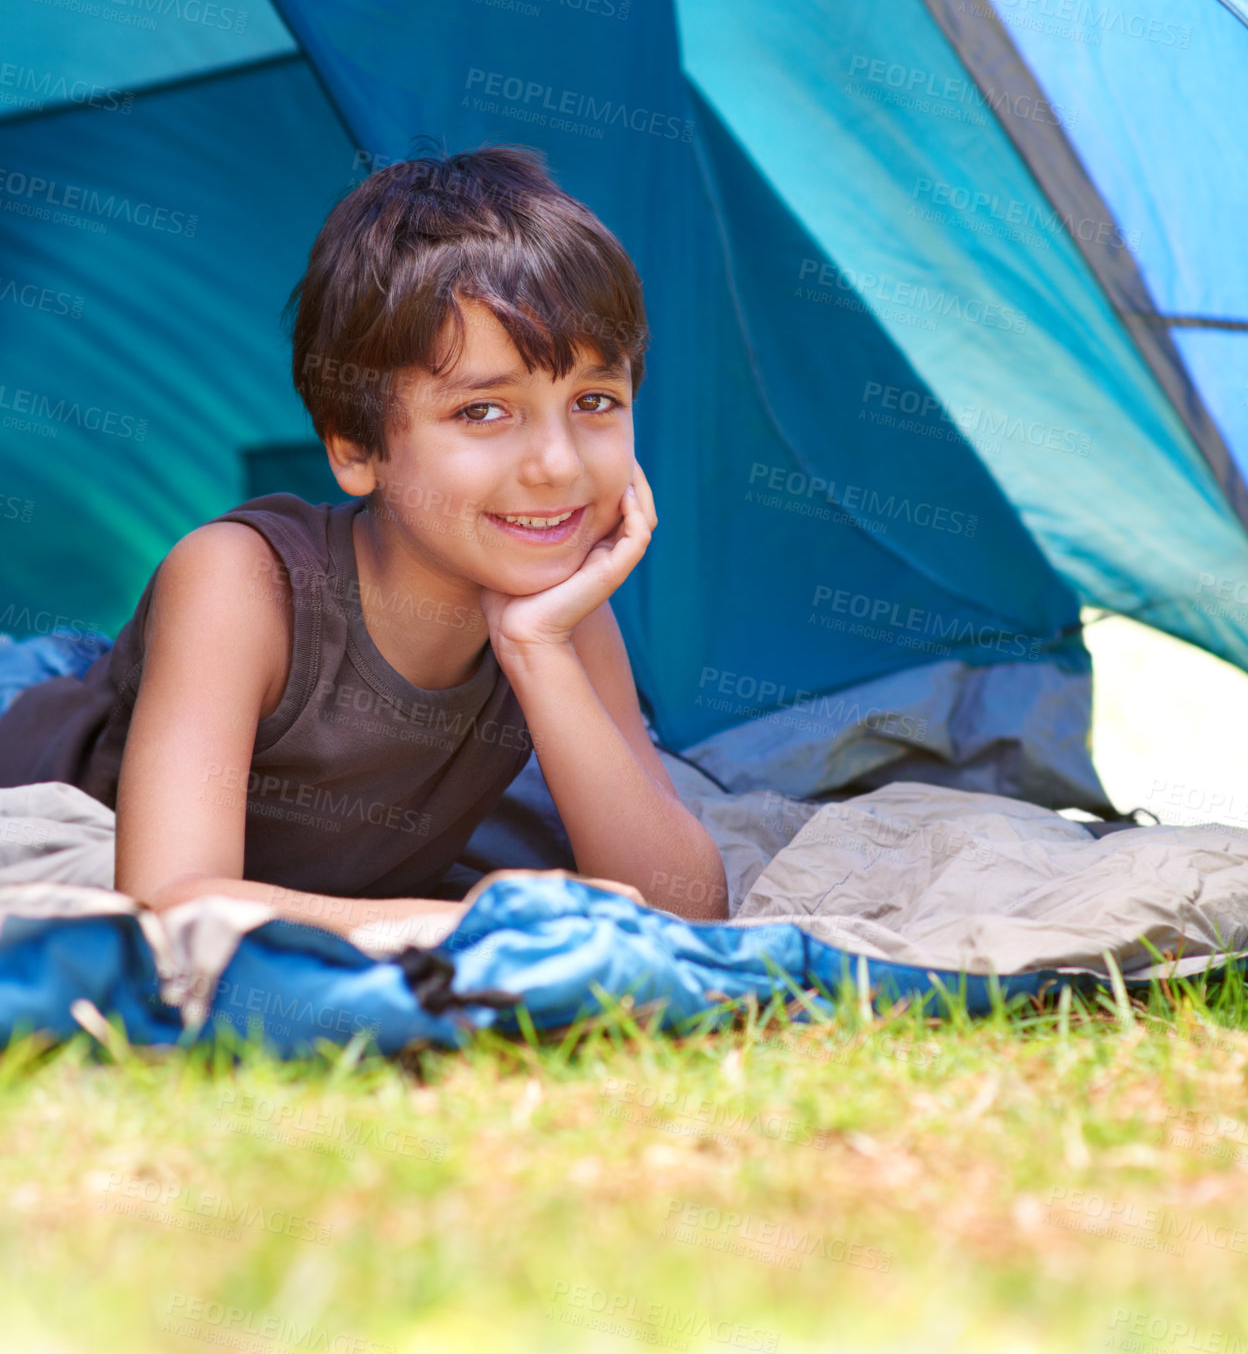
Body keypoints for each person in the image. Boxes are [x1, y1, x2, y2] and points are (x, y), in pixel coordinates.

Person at [0, 144, 728, 934]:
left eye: (594, 400)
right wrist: (480, 929)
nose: (556, 465)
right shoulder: (241, 583)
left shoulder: (559, 607)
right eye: (483, 411)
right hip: (49, 730)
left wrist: (537, 648)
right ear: (354, 446)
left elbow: (689, 909)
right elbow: (175, 898)